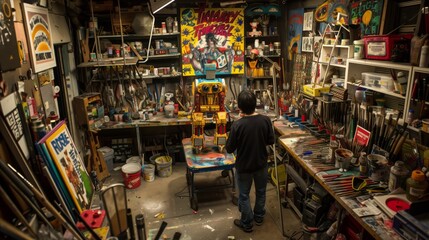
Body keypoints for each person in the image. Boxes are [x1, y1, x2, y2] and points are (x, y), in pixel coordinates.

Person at [225, 90, 275, 233]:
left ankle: (247, 223)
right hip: (261, 164)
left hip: (244, 166)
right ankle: (259, 217)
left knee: (244, 195)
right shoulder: (265, 120)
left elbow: (229, 148)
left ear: (239, 107)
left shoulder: (237, 125)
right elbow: (271, 140)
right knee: (261, 192)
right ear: (255, 104)